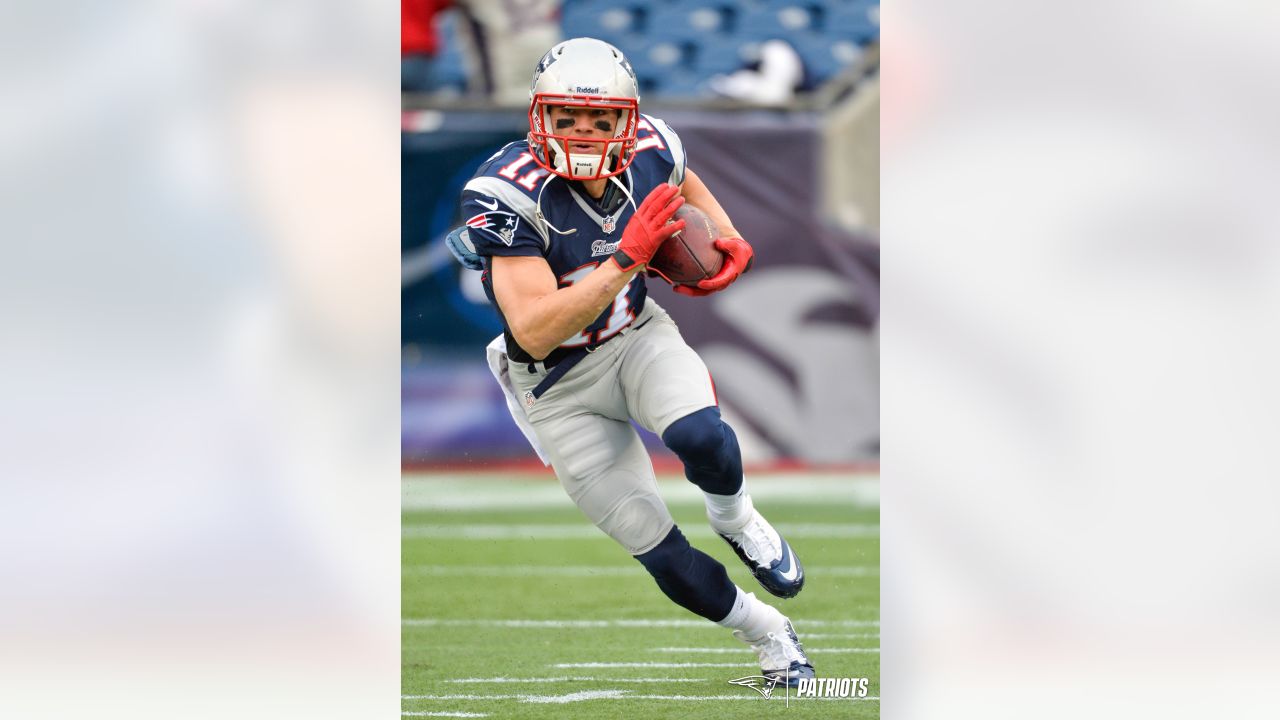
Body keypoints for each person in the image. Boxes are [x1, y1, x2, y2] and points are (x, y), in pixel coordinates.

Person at [450, 37, 814, 687]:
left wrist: (724, 234)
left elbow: (683, 177)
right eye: (567, 117)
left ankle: (737, 520)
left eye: (600, 118)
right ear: (540, 118)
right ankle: (769, 633)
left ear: (628, 121)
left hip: (635, 336)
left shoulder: (652, 146)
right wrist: (625, 257)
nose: (583, 130)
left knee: (702, 435)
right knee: (665, 557)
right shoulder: (504, 193)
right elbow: (533, 332)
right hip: (554, 383)